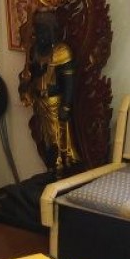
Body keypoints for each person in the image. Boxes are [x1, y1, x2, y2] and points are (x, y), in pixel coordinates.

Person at [19, 9, 79, 174]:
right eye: (37, 31)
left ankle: (61, 167)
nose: (39, 35)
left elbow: (69, 83)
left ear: (51, 31)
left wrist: (66, 106)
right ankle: (52, 168)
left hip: (54, 102)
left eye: (42, 31)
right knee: (45, 140)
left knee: (57, 139)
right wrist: (25, 82)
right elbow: (30, 76)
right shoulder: (35, 51)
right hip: (39, 102)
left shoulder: (62, 51)